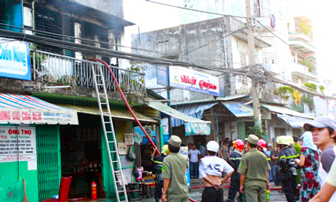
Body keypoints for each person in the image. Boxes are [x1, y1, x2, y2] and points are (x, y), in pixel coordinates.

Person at [304, 116, 336, 201]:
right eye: (313, 130)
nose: (314, 133)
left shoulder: (328, 154)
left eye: (320, 129)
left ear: (333, 133)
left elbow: (322, 197)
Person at [238, 134, 271, 202]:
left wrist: (241, 185)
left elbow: (242, 173)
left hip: (250, 185)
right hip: (262, 184)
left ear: (248, 144)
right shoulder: (263, 156)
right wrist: (267, 182)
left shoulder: (246, 156)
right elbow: (267, 171)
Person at [294, 132, 320, 201]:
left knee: (305, 196)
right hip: (316, 177)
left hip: (307, 177)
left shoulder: (304, 149)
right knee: (315, 197)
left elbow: (301, 163)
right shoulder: (316, 149)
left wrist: (296, 160)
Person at [161, 135, 189, 202]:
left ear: (168, 147)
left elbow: (166, 178)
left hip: (173, 194)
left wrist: (164, 193)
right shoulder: (184, 158)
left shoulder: (167, 160)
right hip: (184, 192)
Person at [277, 136, 298, 202]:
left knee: (288, 191)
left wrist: (283, 170)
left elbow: (282, 161)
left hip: (286, 173)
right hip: (294, 172)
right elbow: (298, 160)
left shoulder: (282, 151)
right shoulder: (293, 150)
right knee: (294, 190)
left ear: (282, 144)